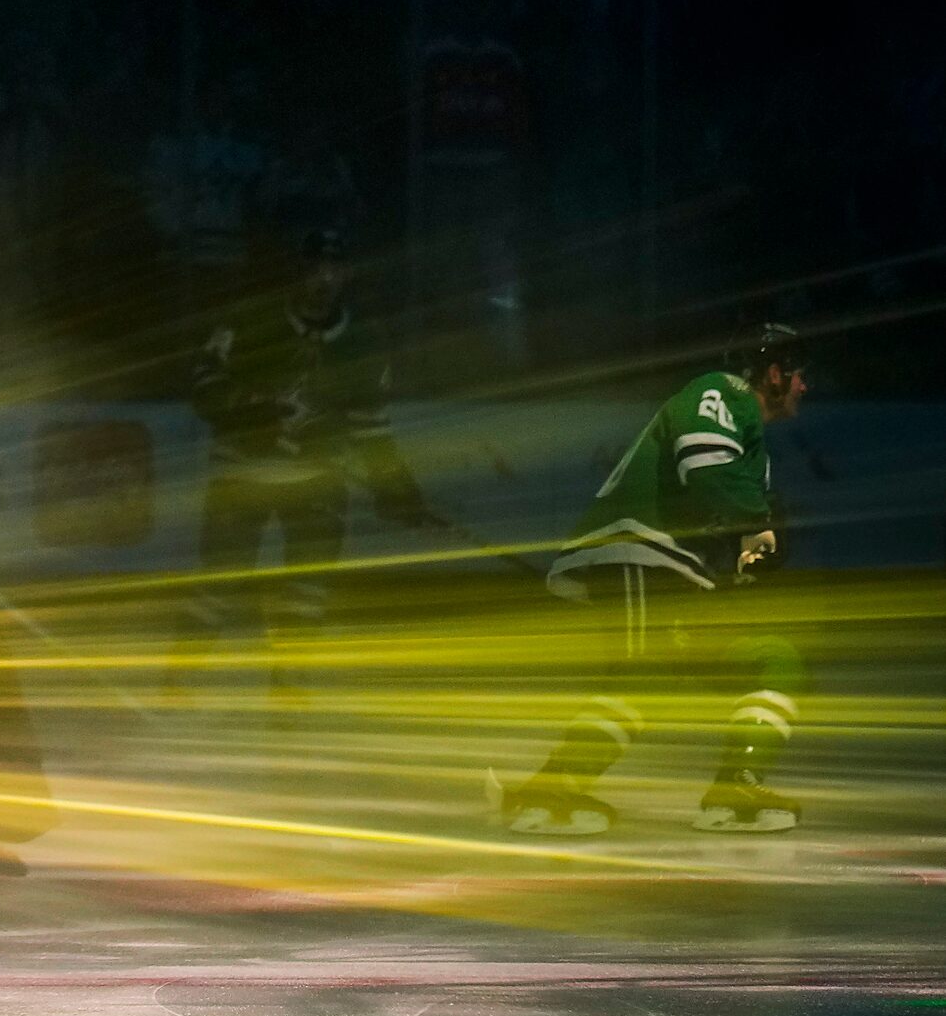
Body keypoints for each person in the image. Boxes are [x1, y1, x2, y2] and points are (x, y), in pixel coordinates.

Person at [494, 324, 810, 836]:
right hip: (642, 549)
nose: (804, 388)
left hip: (677, 567)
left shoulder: (755, 449)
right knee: (644, 680)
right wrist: (760, 525)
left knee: (775, 661)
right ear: (774, 374)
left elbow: (729, 515)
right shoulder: (724, 390)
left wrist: (749, 553)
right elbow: (705, 465)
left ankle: (735, 785)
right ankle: (550, 789)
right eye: (799, 376)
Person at [181, 229, 439, 687]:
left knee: (307, 591)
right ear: (296, 273)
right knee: (217, 583)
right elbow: (202, 384)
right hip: (242, 474)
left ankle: (291, 685)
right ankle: (179, 676)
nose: (322, 280)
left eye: (333, 269)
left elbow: (371, 428)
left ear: (346, 276)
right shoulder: (250, 323)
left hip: (316, 479)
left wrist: (396, 487)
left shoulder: (361, 343)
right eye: (313, 269)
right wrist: (247, 406)